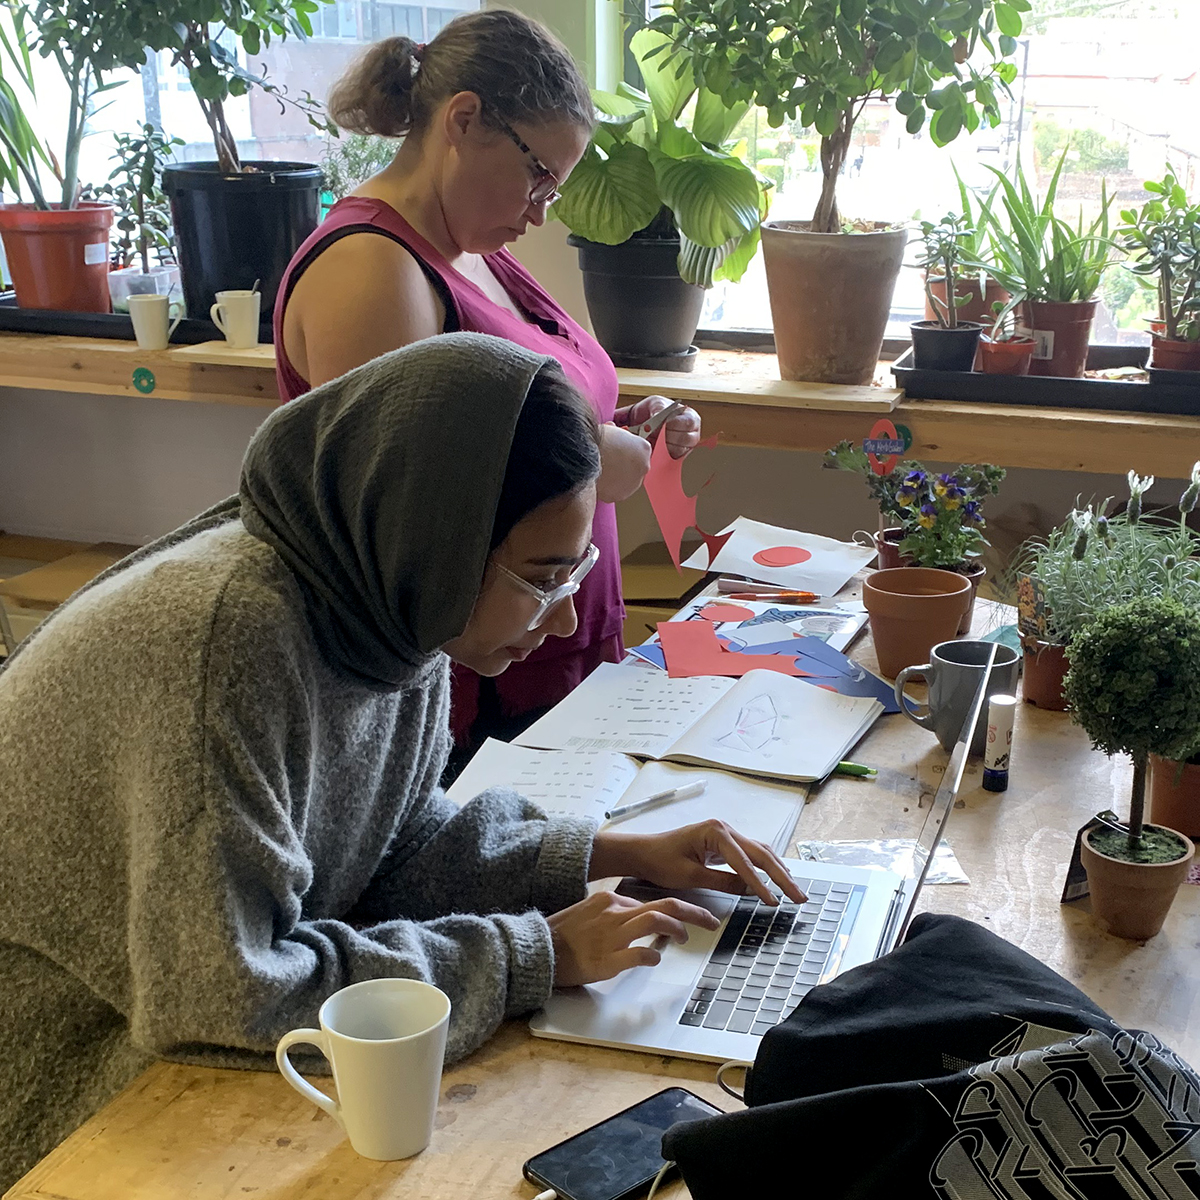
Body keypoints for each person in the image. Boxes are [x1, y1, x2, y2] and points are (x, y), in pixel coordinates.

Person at [0, 335, 798, 1189]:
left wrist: (604, 853)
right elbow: (222, 996)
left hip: (182, 1037)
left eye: (576, 573)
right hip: (73, 1094)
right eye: (543, 577)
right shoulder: (226, 643)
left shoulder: (382, 595)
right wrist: (529, 957)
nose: (564, 621)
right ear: (438, 537)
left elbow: (393, 844)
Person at [274, 8, 703, 763]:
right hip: (469, 688)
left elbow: (525, 417)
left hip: (549, 645)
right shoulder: (370, 270)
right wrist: (601, 456)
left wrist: (626, 425)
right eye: (540, 176)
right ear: (464, 120)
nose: (542, 212)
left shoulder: (471, 250)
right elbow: (413, 505)